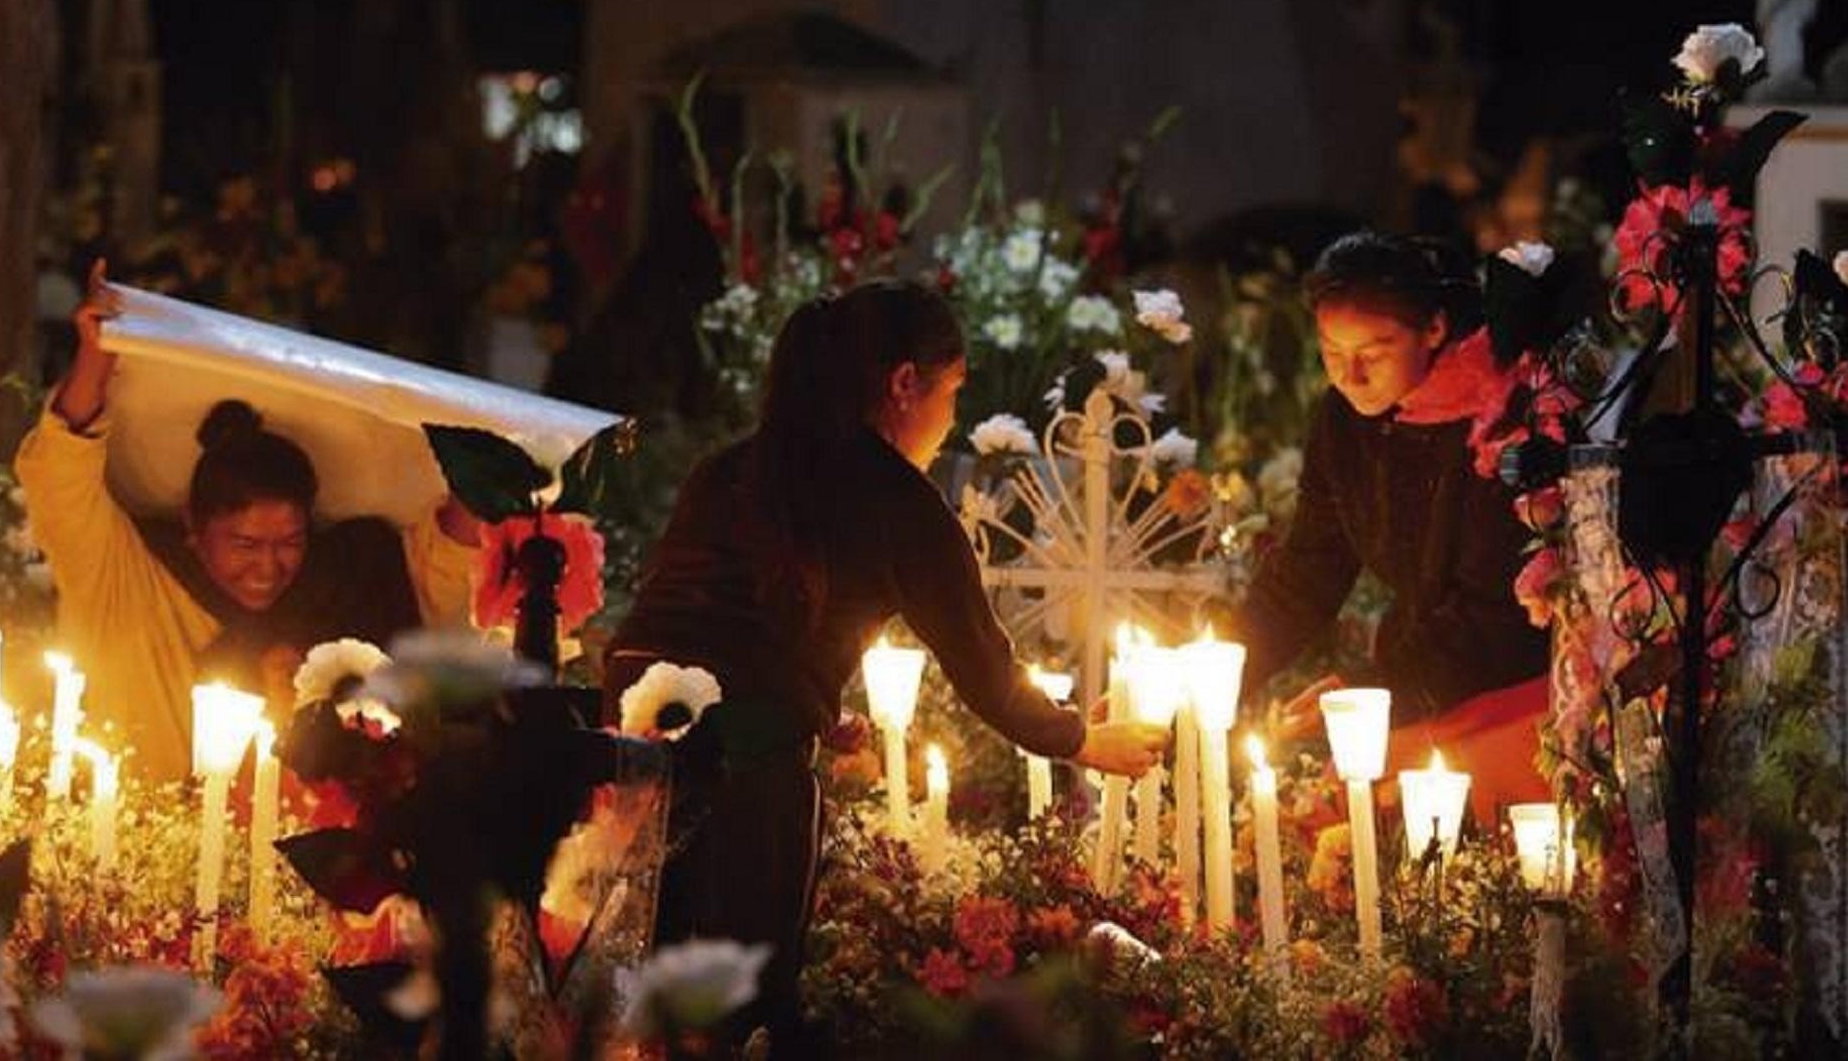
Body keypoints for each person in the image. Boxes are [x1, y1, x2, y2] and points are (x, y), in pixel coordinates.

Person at [603, 280, 1169, 1052]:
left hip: (626, 752)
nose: (952, 419)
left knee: (625, 990)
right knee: (740, 1016)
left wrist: (815, 708)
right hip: (746, 778)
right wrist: (1081, 740)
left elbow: (699, 625)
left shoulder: (730, 467)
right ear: (905, 383)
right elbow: (984, 667)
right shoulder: (895, 499)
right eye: (954, 392)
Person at [15, 261, 480, 777]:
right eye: (244, 544)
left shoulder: (352, 578)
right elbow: (60, 474)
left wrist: (493, 440)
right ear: (194, 526)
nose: (266, 568)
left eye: (288, 543)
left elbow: (453, 553)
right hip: (139, 841)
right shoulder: (127, 576)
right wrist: (97, 353)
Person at [1222, 232, 1551, 815]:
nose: (1350, 375)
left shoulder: (1499, 415)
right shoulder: (1344, 420)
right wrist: (1220, 676)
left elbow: (1492, 615)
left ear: (1434, 330)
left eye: (1373, 352)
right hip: (1419, 676)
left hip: (1511, 692)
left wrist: (1375, 693)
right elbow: (1307, 572)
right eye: (1330, 352)